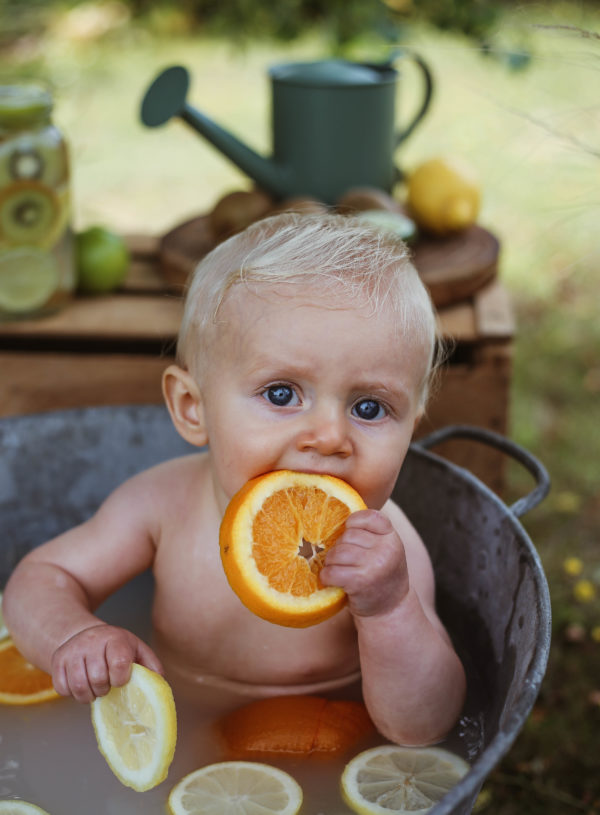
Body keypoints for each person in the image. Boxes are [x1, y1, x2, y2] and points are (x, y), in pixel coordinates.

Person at [4, 212, 465, 746]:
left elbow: (423, 726)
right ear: (193, 408)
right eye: (281, 394)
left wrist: (388, 607)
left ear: (413, 424)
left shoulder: (389, 550)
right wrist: (76, 635)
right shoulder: (162, 505)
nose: (328, 436)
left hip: (333, 741)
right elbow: (43, 575)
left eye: (369, 406)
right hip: (174, 735)